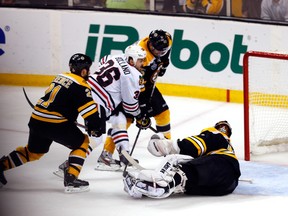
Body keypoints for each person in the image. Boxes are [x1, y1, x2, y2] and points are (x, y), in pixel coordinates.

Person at [0, 53, 106, 193]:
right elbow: (90, 114)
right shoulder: (81, 86)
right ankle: (71, 179)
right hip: (55, 124)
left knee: (33, 151)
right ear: (84, 70)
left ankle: (2, 166)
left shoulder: (60, 77)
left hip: (36, 120)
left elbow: (60, 101)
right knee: (82, 142)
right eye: (88, 69)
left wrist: (70, 116)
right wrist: (95, 128)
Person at [54, 44, 148, 175]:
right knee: (96, 138)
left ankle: (121, 156)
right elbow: (130, 105)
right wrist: (140, 115)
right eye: (141, 60)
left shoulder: (116, 57)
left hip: (86, 90)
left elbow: (103, 60)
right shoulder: (133, 76)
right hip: (100, 101)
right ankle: (69, 165)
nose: (143, 63)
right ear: (131, 60)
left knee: (119, 119)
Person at [95, 29, 173, 171]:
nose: (159, 53)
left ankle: (167, 147)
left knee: (163, 113)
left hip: (147, 86)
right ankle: (106, 155)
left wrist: (163, 65)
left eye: (162, 51)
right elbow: (136, 87)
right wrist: (141, 112)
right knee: (126, 120)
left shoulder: (163, 45)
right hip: (135, 87)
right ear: (150, 45)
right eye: (156, 50)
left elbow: (164, 56)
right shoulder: (143, 60)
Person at [123, 120, 241, 198]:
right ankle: (148, 186)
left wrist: (171, 147)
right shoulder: (226, 148)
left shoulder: (217, 137)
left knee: (176, 162)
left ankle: (160, 185)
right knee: (188, 178)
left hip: (223, 165)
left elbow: (197, 145)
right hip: (226, 186)